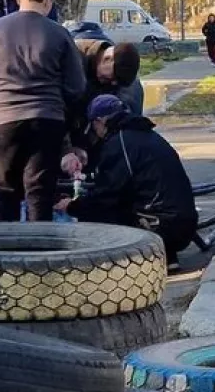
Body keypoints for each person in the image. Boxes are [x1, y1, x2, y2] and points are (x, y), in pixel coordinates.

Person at [0, 0, 86, 222]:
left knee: (5, 189)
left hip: (4, 120)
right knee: (39, 191)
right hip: (47, 119)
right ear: (48, 0)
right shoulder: (59, 34)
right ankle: (38, 252)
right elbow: (76, 86)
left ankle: (7, 251)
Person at [57, 94, 198, 265]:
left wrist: (72, 206)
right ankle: (165, 256)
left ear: (99, 121)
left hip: (161, 227)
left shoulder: (119, 143)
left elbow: (107, 195)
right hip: (184, 225)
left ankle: (108, 263)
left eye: (94, 126)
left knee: (98, 214)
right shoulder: (147, 135)